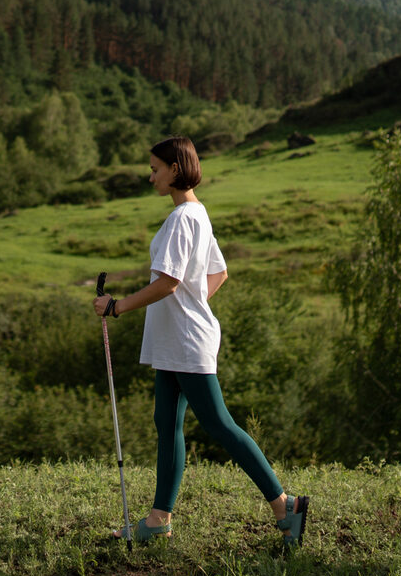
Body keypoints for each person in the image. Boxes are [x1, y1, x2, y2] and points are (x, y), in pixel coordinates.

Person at [93, 136, 309, 546]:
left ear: (175, 169)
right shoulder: (197, 213)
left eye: (155, 168)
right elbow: (217, 274)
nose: (150, 175)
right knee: (167, 423)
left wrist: (117, 307)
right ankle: (159, 518)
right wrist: (193, 305)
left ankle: (286, 505)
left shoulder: (181, 220)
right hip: (177, 339)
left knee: (218, 423)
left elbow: (170, 283)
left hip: (186, 342)